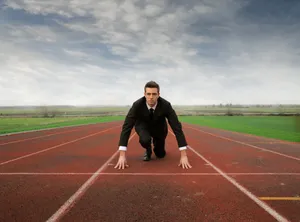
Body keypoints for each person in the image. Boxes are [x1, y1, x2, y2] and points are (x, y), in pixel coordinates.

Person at [114, 81, 192, 170]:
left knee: (160, 155)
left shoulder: (166, 105)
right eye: (148, 94)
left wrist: (184, 155)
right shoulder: (137, 105)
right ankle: (148, 149)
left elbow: (176, 127)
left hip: (159, 128)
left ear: (158, 94)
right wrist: (122, 155)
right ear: (144, 94)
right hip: (143, 126)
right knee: (144, 139)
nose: (151, 97)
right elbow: (127, 127)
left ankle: (157, 146)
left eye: (154, 94)